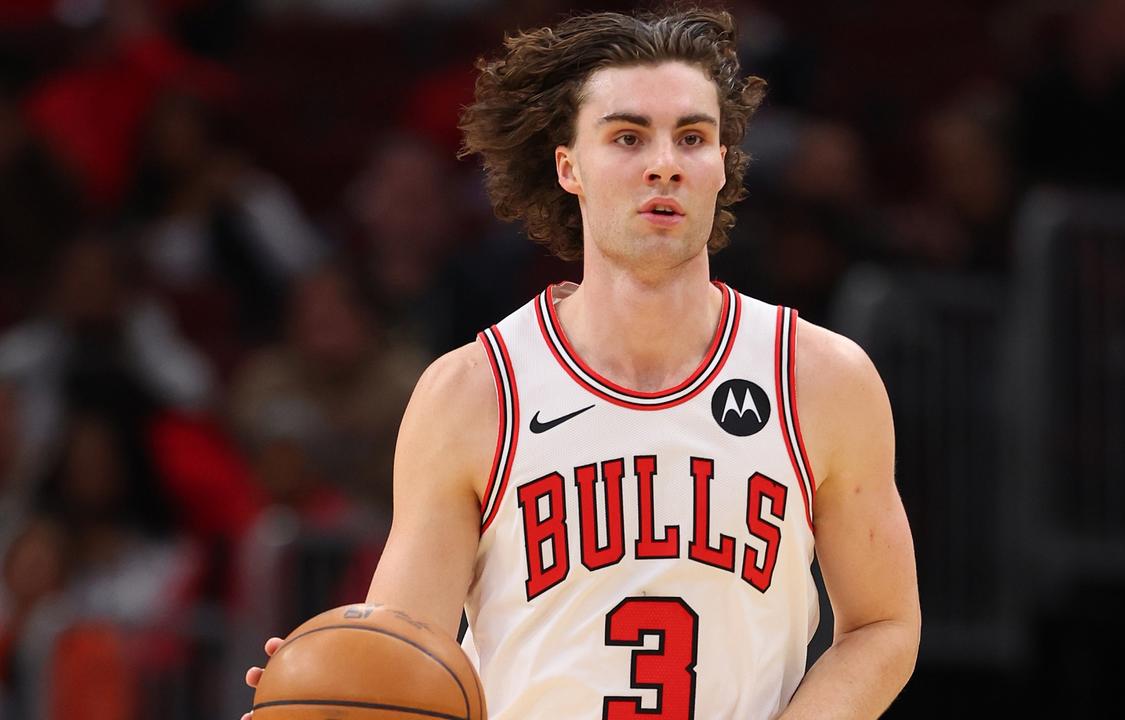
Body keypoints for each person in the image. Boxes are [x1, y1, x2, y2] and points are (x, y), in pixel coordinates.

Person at [245, 7, 919, 718]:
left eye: (692, 137)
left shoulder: (819, 379)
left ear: (722, 162)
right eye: (628, 136)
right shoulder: (474, 394)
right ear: (569, 166)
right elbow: (401, 658)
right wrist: (333, 690)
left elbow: (883, 624)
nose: (665, 161)